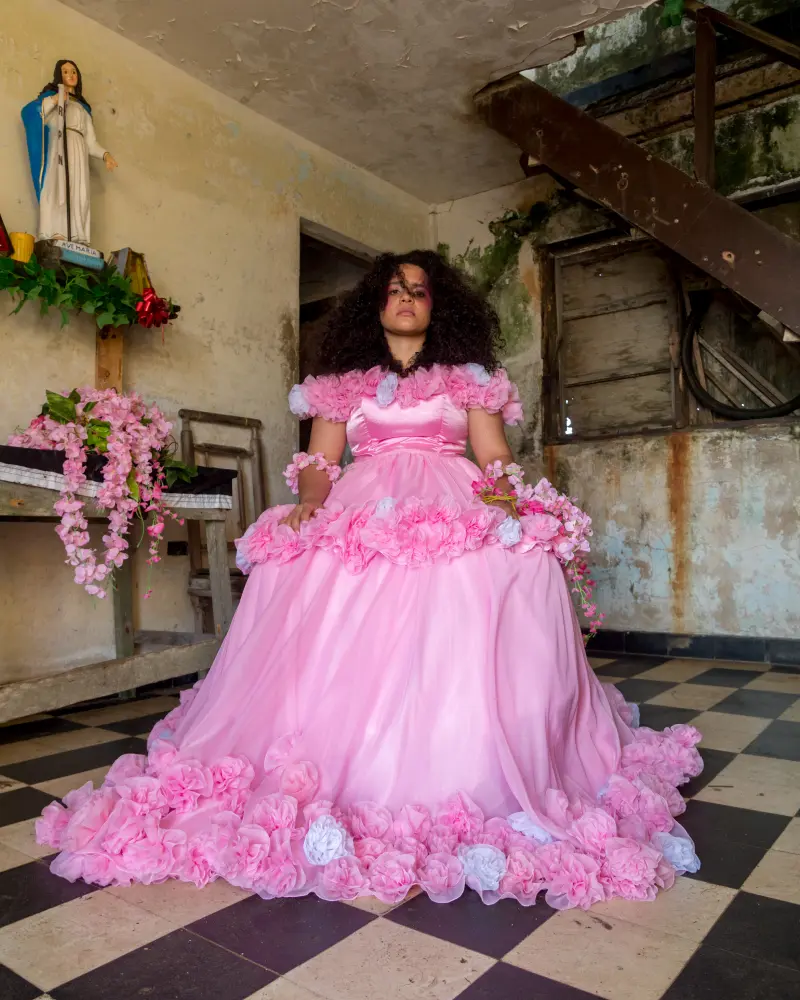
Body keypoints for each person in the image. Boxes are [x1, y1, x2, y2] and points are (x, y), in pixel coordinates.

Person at [36, 251, 702, 908]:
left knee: (511, 563)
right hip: (365, 494)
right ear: (375, 304)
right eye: (394, 289)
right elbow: (322, 461)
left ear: (439, 304)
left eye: (419, 289)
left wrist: (512, 503)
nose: (406, 297)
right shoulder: (342, 382)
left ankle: (474, 748)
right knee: (309, 564)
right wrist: (311, 502)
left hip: (451, 491)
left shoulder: (467, 376)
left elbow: (492, 454)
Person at [21, 60, 118, 245]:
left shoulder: (84, 108)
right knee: (57, 188)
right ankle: (56, 232)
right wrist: (56, 100)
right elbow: (30, 113)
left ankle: (76, 236)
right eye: (66, 71)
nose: (71, 75)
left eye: (74, 71)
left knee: (78, 192)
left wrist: (106, 155)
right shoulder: (52, 97)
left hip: (79, 152)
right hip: (58, 146)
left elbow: (91, 142)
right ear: (59, 75)